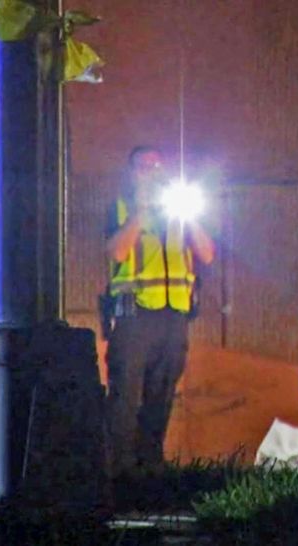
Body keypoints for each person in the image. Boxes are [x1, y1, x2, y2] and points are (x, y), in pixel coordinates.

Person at [103, 145, 215, 478]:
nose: (152, 173)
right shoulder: (121, 208)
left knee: (162, 392)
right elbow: (117, 251)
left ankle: (151, 462)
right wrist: (141, 212)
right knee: (125, 394)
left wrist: (187, 215)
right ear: (131, 173)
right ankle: (119, 466)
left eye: (156, 166)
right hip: (134, 316)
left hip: (174, 316)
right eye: (143, 167)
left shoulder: (178, 214)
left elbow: (207, 253)